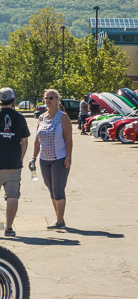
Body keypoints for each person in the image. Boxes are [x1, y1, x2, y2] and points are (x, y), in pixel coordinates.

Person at [32, 89, 73, 230]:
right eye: (46, 98)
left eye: (51, 98)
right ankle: (58, 218)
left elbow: (68, 139)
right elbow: (37, 140)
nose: (48, 100)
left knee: (58, 189)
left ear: (57, 100)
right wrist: (33, 157)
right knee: (51, 189)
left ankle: (60, 222)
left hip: (59, 158)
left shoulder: (63, 117)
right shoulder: (42, 117)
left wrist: (68, 157)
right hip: (44, 159)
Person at [0, 87, 30, 237]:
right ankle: (9, 227)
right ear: (13, 101)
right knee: (12, 196)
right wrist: (20, 159)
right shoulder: (19, 118)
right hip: (12, 163)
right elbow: (24, 142)